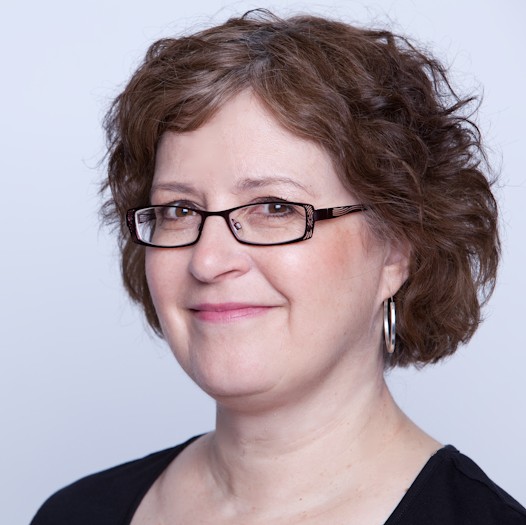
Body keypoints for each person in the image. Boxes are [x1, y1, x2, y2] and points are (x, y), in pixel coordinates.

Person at [31, 9, 526, 525]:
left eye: (274, 207)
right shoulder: (74, 514)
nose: (208, 261)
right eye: (179, 210)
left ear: (395, 251)